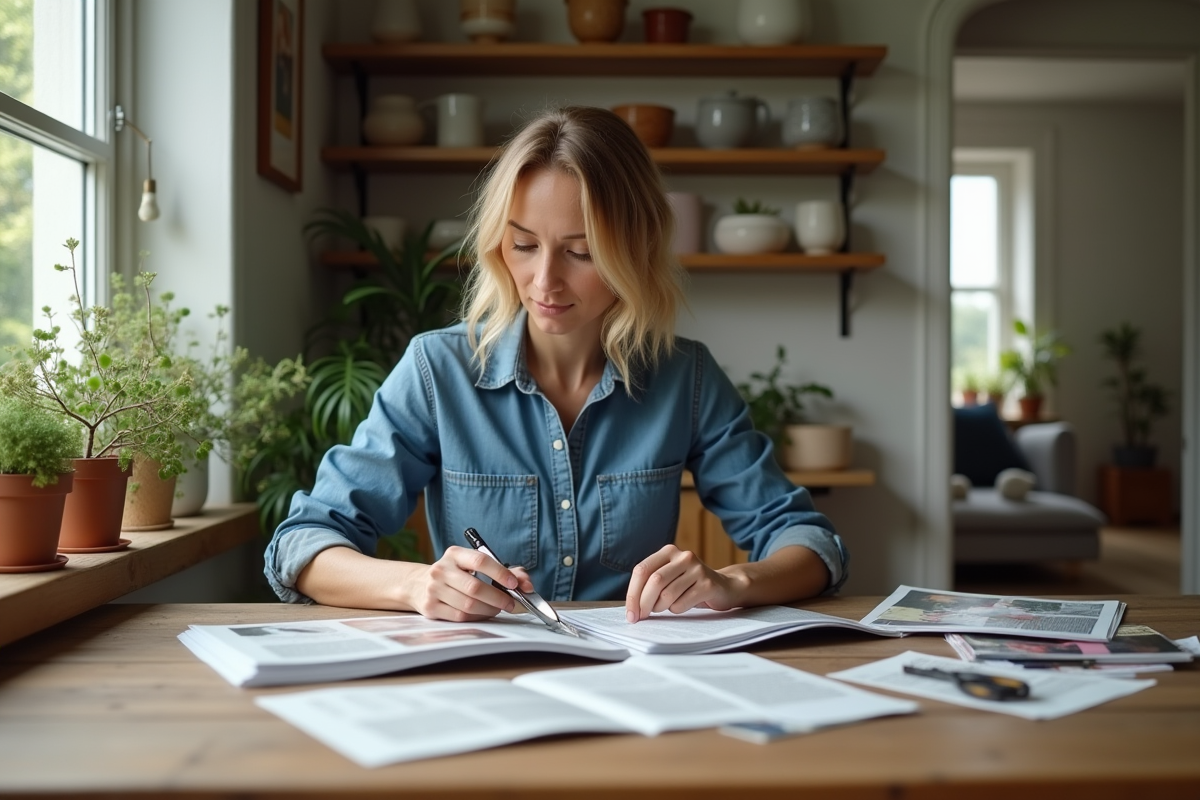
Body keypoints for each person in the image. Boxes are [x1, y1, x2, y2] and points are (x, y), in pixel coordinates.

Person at [264, 106, 848, 624]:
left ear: (633, 250)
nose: (545, 282)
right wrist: (416, 584)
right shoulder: (436, 370)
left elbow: (811, 544)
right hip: (482, 680)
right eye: (523, 245)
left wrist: (732, 582)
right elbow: (303, 545)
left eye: (581, 251)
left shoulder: (684, 379)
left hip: (633, 681)